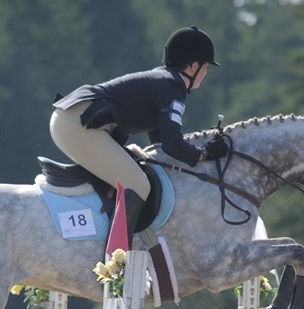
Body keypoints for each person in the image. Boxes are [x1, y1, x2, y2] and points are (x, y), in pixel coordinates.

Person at [50, 26, 228, 247]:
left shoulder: (163, 81)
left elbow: (161, 145)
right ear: (194, 66)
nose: (206, 73)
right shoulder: (172, 86)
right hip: (78, 122)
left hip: (74, 118)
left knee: (137, 174)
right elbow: (173, 145)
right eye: (206, 67)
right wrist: (205, 154)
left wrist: (198, 151)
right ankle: (116, 262)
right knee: (137, 184)